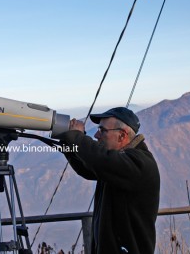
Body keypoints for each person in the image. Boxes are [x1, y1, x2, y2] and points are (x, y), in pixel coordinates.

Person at [58, 107, 160, 254]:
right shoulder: (119, 162)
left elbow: (100, 160)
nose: (97, 135)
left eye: (102, 130)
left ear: (121, 135)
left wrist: (77, 137)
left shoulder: (139, 163)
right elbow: (87, 168)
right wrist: (68, 142)